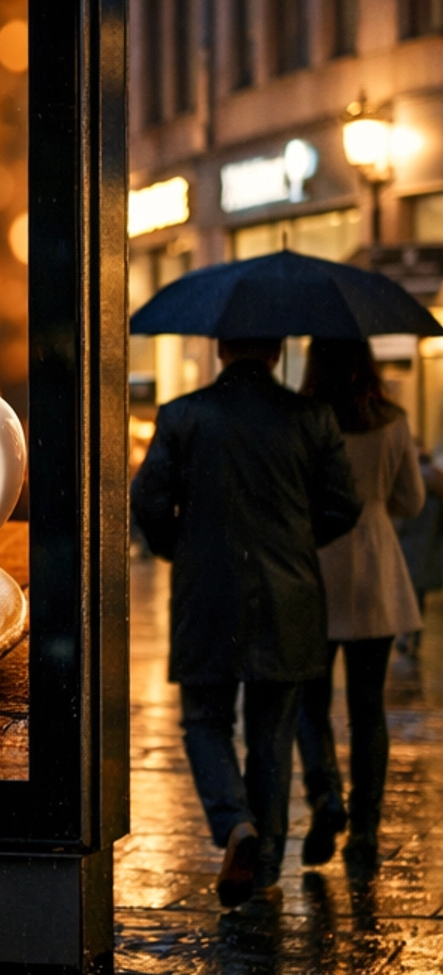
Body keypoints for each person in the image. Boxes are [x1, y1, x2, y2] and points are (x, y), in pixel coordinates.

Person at [131, 337, 361, 909]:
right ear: (278, 352)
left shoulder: (183, 415)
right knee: (272, 734)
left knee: (204, 720)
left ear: (218, 349)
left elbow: (148, 500)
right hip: (290, 598)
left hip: (206, 594)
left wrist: (176, 548)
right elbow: (344, 503)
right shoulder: (312, 417)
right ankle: (263, 869)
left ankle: (236, 824)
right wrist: (298, 545)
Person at [295, 340, 426, 878]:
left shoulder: (304, 419)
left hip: (316, 566)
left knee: (310, 698)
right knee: (369, 706)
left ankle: (327, 797)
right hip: (375, 568)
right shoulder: (392, 421)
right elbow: (411, 501)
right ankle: (367, 829)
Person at [395, 442, 443, 665]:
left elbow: (400, 520)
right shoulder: (437, 490)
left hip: (407, 549)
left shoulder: (408, 488)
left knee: (405, 596)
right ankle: (415, 637)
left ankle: (405, 635)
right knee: (418, 597)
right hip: (426, 553)